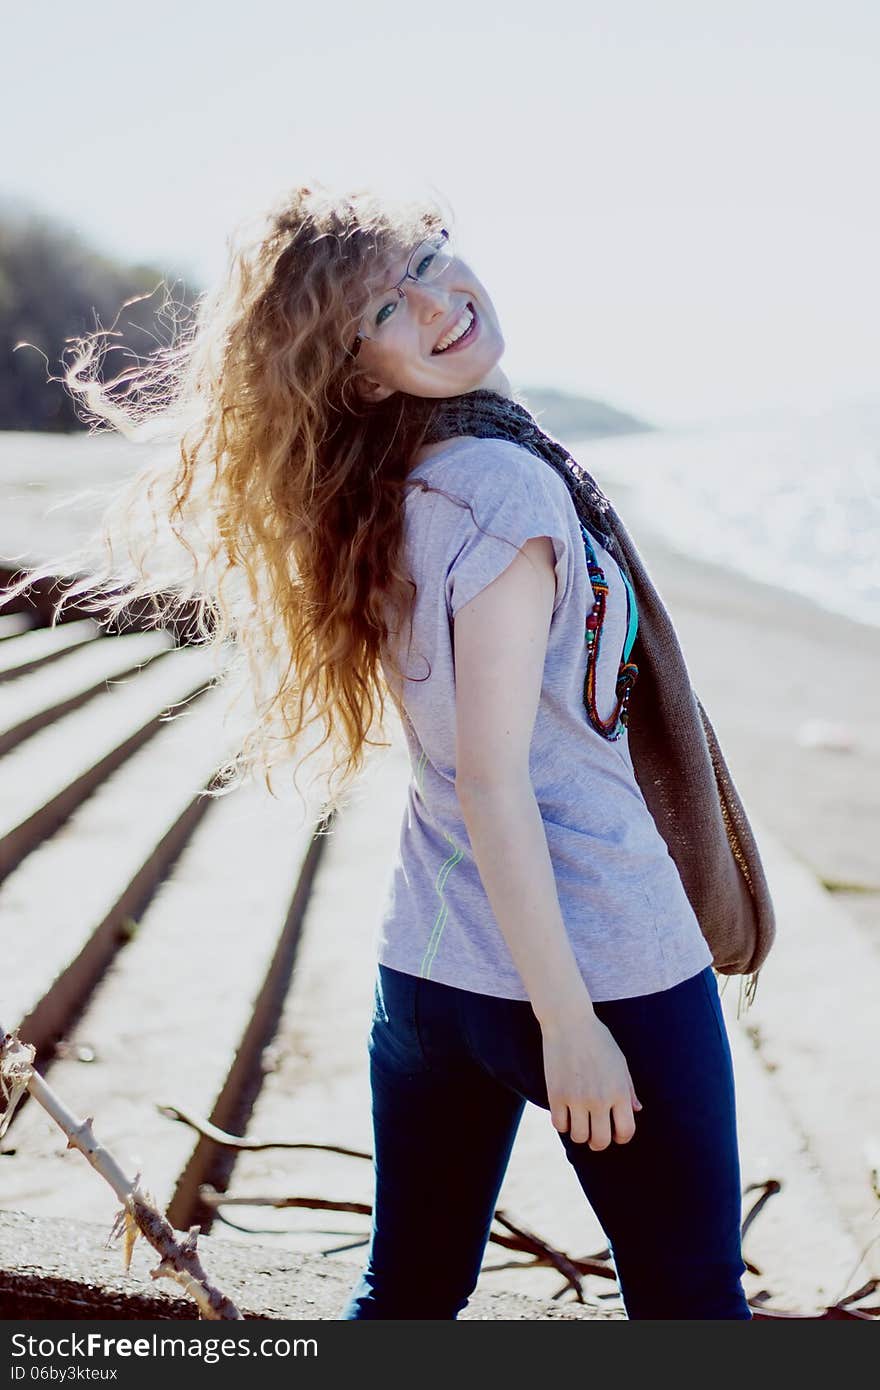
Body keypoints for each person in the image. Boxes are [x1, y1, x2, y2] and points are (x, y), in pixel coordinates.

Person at [7, 183, 757, 1321]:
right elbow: (495, 776)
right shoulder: (503, 487)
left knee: (404, 1296)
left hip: (428, 966)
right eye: (385, 309)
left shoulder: (404, 484)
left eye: (428, 261)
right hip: (597, 959)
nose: (436, 302)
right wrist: (569, 1024)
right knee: (693, 1303)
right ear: (359, 372)